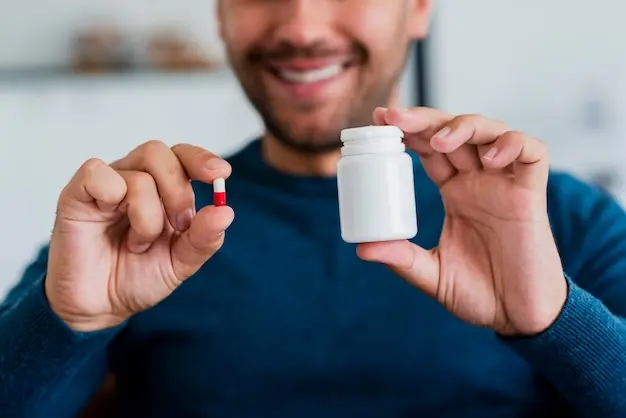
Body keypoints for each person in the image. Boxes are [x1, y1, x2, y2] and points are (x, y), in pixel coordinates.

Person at [1, 0, 625, 416]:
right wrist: (65, 322)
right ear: (220, 14)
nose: (301, 27)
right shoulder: (143, 227)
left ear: (418, 8)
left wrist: (557, 319)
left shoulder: (557, 219)